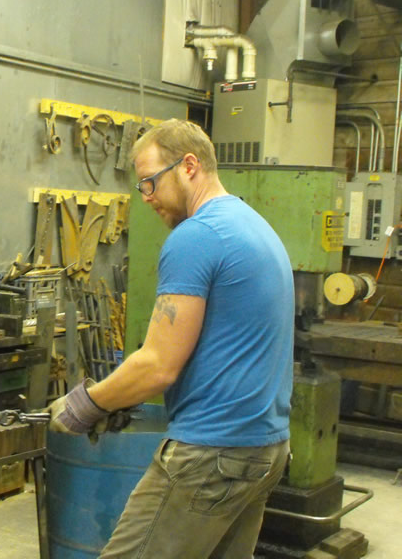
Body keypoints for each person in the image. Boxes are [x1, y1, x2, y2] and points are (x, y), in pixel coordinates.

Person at [48, 119, 294, 558]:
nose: (146, 197)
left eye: (150, 182)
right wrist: (118, 399)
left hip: (212, 455)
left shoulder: (196, 237)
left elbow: (158, 366)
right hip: (264, 448)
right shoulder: (253, 224)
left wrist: (85, 405)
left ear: (189, 166)